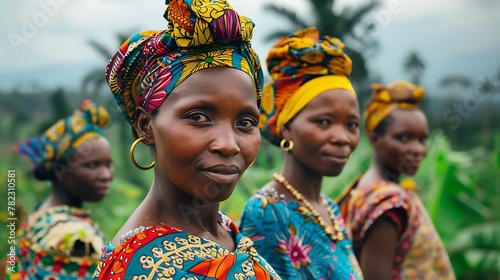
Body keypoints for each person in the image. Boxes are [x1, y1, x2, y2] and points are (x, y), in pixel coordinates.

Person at [92, 0, 280, 279]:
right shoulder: (143, 267)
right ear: (146, 125)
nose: (229, 144)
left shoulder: (226, 231)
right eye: (198, 117)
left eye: (245, 123)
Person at [239, 27, 363, 279]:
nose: (342, 138)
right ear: (287, 129)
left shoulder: (329, 209)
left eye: (351, 125)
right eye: (324, 122)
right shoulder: (267, 213)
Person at [336, 81, 456, 279]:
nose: (418, 149)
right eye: (403, 138)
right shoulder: (388, 204)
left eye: (422, 139)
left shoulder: (361, 187)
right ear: (374, 138)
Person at [6, 99, 114, 279]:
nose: (106, 175)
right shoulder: (75, 237)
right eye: (92, 165)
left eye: (109, 164)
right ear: (60, 170)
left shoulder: (39, 215)